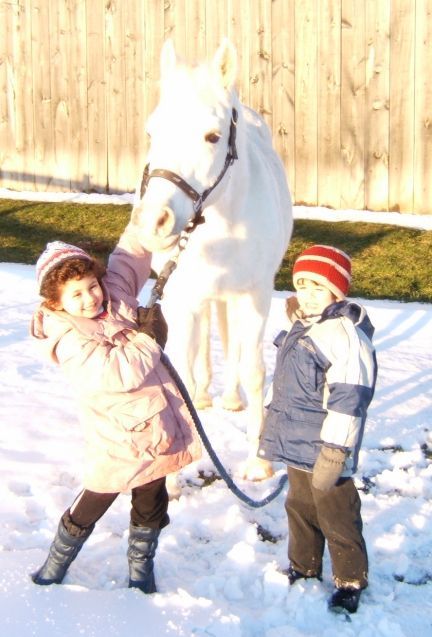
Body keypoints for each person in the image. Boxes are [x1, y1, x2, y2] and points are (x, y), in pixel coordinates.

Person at [29, 224, 201, 594]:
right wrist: (148, 339)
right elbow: (114, 373)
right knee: (97, 496)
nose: (90, 298)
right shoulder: (68, 338)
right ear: (56, 303)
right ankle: (55, 563)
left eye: (92, 285)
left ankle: (141, 571)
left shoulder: (114, 293)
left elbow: (130, 253)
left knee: (151, 503)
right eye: (76, 295)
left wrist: (151, 219)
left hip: (156, 426)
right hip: (117, 437)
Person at [258, 244, 377, 614]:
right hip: (296, 441)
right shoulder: (303, 327)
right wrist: (269, 414)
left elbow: (349, 399)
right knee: (300, 507)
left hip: (327, 448)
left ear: (336, 292)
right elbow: (286, 381)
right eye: (301, 285)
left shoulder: (344, 336)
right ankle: (304, 565)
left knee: (337, 514)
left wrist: (336, 451)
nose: (307, 296)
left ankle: (350, 579)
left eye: (317, 288)